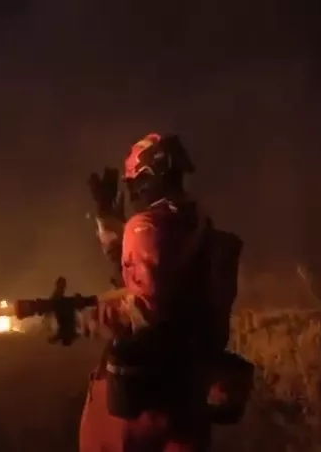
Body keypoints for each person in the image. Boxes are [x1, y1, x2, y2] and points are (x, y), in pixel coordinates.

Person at [79, 133, 227, 452]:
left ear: (148, 177)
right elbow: (153, 279)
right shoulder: (199, 223)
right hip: (189, 393)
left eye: (135, 182)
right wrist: (110, 223)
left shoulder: (144, 225)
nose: (133, 192)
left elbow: (145, 310)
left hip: (143, 398)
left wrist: (85, 318)